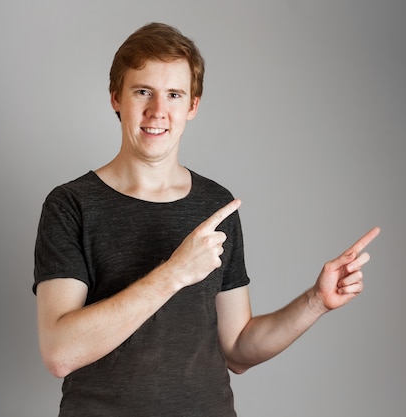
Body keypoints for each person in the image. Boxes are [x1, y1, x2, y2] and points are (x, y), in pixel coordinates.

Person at [33, 22, 380, 416]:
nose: (157, 111)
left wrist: (316, 301)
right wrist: (174, 273)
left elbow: (238, 350)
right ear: (116, 97)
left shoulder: (216, 206)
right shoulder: (70, 205)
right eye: (142, 91)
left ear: (192, 106)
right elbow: (60, 353)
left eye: (174, 95)